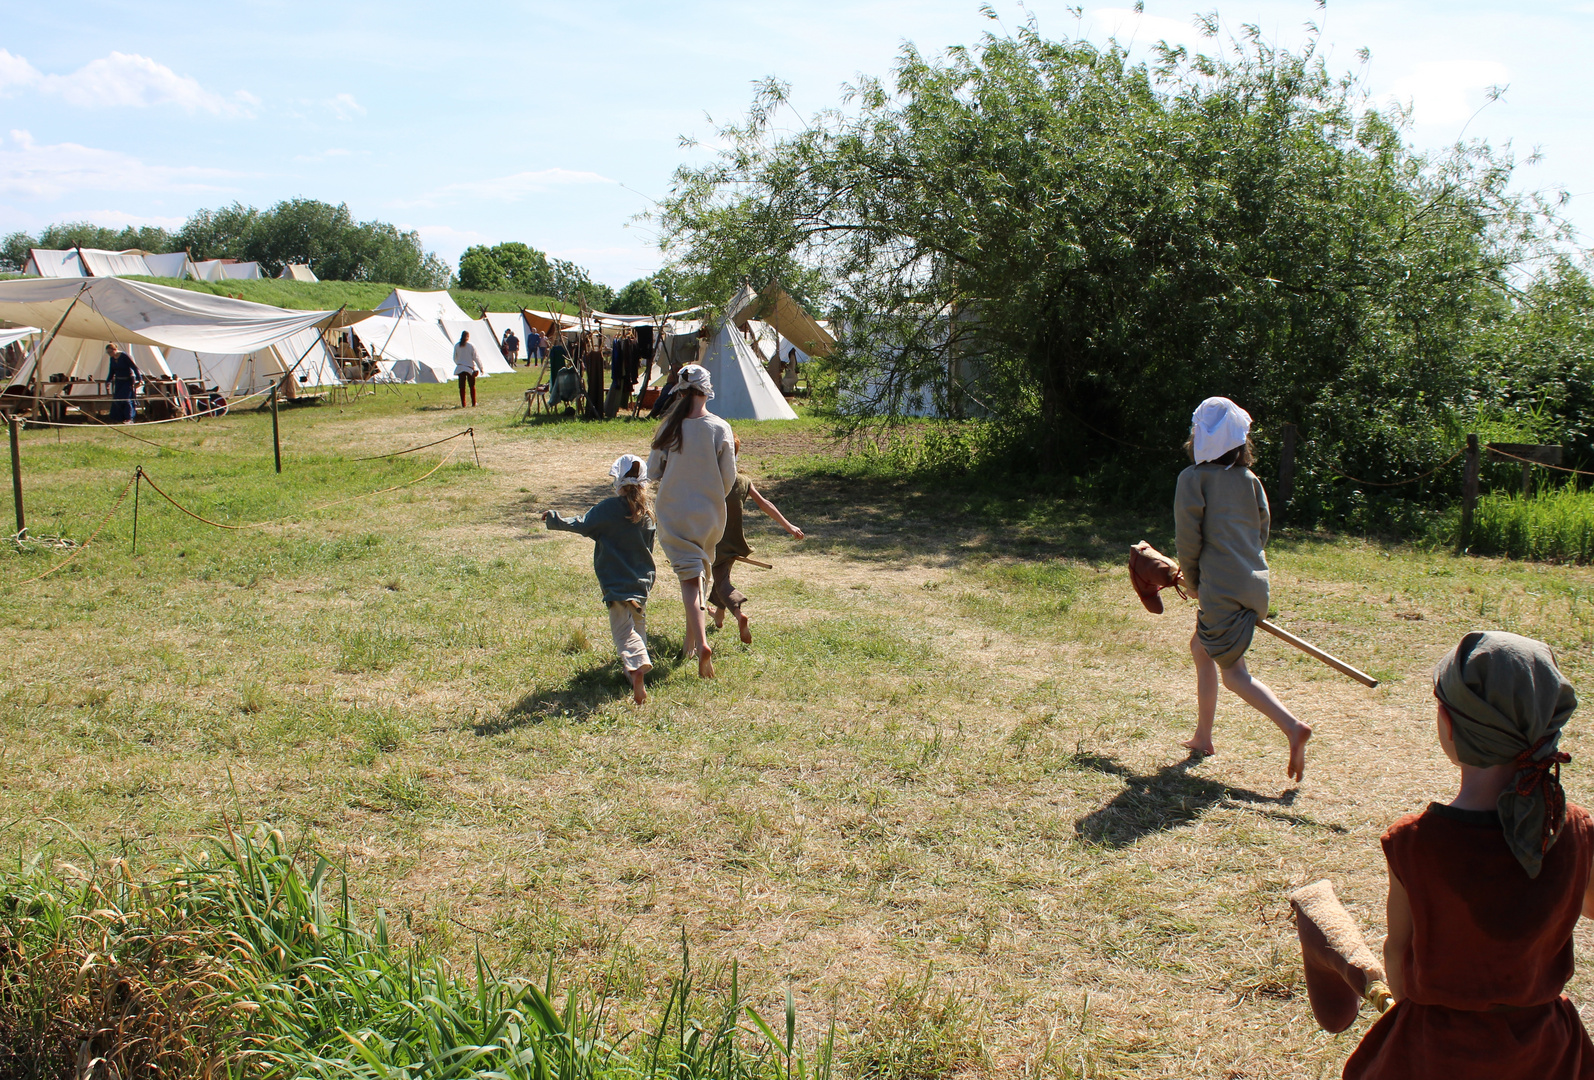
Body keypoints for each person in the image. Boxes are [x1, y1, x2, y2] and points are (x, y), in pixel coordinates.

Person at [1342, 631, 1594, 1079]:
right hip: (1545, 1050)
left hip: (1439, 1050)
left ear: (1450, 724)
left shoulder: (1413, 842)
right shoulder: (1575, 829)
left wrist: (1400, 1011)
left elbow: (1398, 951)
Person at [1175, 396, 1311, 781]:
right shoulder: (1249, 480)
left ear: (1198, 438)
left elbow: (1189, 539)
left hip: (1221, 587)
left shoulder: (1192, 479)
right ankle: (1203, 736)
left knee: (1234, 674)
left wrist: (1195, 581)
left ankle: (1292, 727)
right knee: (1201, 648)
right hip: (1255, 584)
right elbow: (1261, 529)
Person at [646, 364, 737, 678]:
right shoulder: (720, 428)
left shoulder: (668, 426)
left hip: (675, 512)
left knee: (689, 578)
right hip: (710, 515)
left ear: (681, 392)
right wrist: (710, 498)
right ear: (706, 390)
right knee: (699, 575)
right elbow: (729, 479)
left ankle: (701, 643)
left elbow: (653, 472)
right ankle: (690, 644)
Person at [543, 455, 658, 704]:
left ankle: (638, 665)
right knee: (638, 625)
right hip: (640, 583)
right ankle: (633, 674)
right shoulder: (647, 513)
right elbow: (649, 547)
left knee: (623, 632)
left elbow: (583, 524)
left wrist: (555, 518)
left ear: (618, 481)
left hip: (616, 584)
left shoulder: (608, 509)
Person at [709, 436, 805, 644]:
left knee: (722, 581)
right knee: (721, 575)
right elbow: (764, 503)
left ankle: (738, 614)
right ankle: (718, 616)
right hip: (734, 540)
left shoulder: (710, 479)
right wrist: (789, 526)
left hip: (714, 540)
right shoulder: (743, 480)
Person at [104, 343, 141, 424]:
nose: (109, 354)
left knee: (126, 399)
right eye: (108, 353)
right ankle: (119, 418)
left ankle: (129, 418)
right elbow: (112, 371)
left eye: (110, 352)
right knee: (118, 399)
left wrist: (139, 379)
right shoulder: (112, 359)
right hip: (119, 381)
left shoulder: (125, 356)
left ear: (115, 350)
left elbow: (134, 367)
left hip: (127, 381)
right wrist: (108, 381)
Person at [453, 330, 481, 408]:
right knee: (472, 386)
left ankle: (463, 404)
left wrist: (459, 363)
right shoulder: (471, 345)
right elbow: (476, 357)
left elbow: (455, 358)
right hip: (469, 368)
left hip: (460, 367)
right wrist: (480, 367)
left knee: (462, 387)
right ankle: (474, 402)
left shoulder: (457, 345)